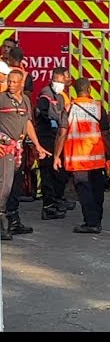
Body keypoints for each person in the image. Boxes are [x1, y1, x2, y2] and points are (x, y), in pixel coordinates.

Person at [53, 77, 110, 234]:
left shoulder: (69, 108)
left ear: (75, 90)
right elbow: (106, 134)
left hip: (78, 159)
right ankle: (97, 219)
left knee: (84, 191)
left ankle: (91, 222)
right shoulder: (98, 107)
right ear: (90, 89)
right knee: (97, 189)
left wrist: (56, 156)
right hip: (97, 158)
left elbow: (62, 133)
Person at [0, 70, 50, 240]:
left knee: (16, 186)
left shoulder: (26, 101)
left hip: (19, 150)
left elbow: (28, 123)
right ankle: (1, 224)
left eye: (15, 82)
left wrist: (38, 145)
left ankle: (13, 221)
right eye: (9, 81)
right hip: (5, 150)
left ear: (22, 84)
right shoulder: (1, 99)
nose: (11, 85)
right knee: (4, 187)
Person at [35, 70, 74, 220]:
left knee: (59, 171)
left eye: (61, 81)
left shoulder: (59, 96)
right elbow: (43, 113)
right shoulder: (45, 95)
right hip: (46, 138)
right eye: (56, 80)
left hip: (56, 137)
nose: (58, 83)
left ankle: (57, 199)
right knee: (48, 172)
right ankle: (48, 207)